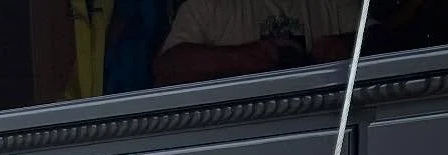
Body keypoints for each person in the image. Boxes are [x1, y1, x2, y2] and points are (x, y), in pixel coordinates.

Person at [153, 0, 365, 86]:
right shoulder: (206, 6)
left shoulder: (331, 3)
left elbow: (389, 45)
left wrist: (346, 47)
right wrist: (243, 58)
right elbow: (168, 69)